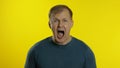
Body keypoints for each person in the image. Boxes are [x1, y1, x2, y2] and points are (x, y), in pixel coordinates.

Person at [25, 4, 96, 68]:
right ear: (50, 24)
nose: (60, 25)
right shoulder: (35, 51)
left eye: (64, 20)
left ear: (71, 23)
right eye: (56, 21)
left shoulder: (85, 52)